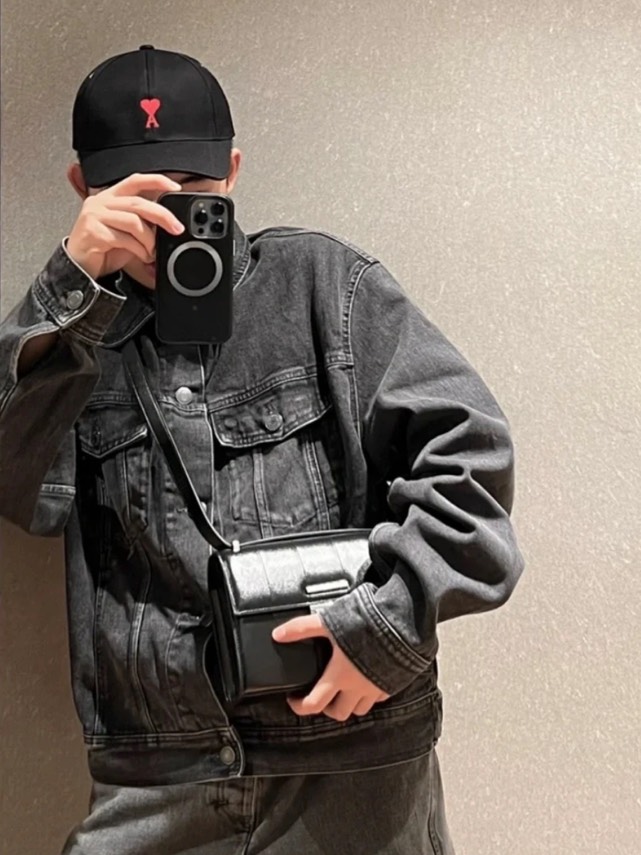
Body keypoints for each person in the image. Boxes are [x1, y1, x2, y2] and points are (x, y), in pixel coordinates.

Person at [0, 45, 524, 855]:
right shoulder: (70, 341)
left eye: (194, 186)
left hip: (351, 762)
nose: (170, 218)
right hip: (158, 780)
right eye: (137, 192)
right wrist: (68, 285)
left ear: (233, 171)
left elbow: (470, 460)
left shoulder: (323, 286)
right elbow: (17, 488)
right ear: (82, 188)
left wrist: (384, 628)